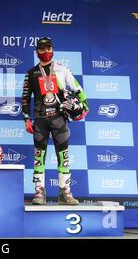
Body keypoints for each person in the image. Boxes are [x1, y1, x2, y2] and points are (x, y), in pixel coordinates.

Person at [21, 37, 88, 205]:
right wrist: (27, 119)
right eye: (42, 49)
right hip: (40, 120)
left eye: (48, 48)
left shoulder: (62, 69)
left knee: (63, 156)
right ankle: (39, 192)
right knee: (39, 157)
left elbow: (78, 89)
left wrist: (85, 107)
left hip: (59, 119)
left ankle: (65, 193)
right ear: (37, 52)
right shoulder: (31, 73)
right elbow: (24, 98)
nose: (45, 52)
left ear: (53, 50)